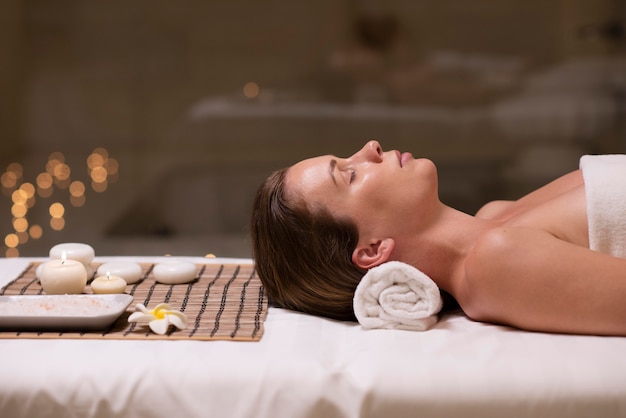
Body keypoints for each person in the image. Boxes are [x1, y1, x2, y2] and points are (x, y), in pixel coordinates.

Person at [250, 140, 626, 336]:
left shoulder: (495, 214)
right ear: (371, 249)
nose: (370, 148)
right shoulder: (495, 264)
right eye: (349, 175)